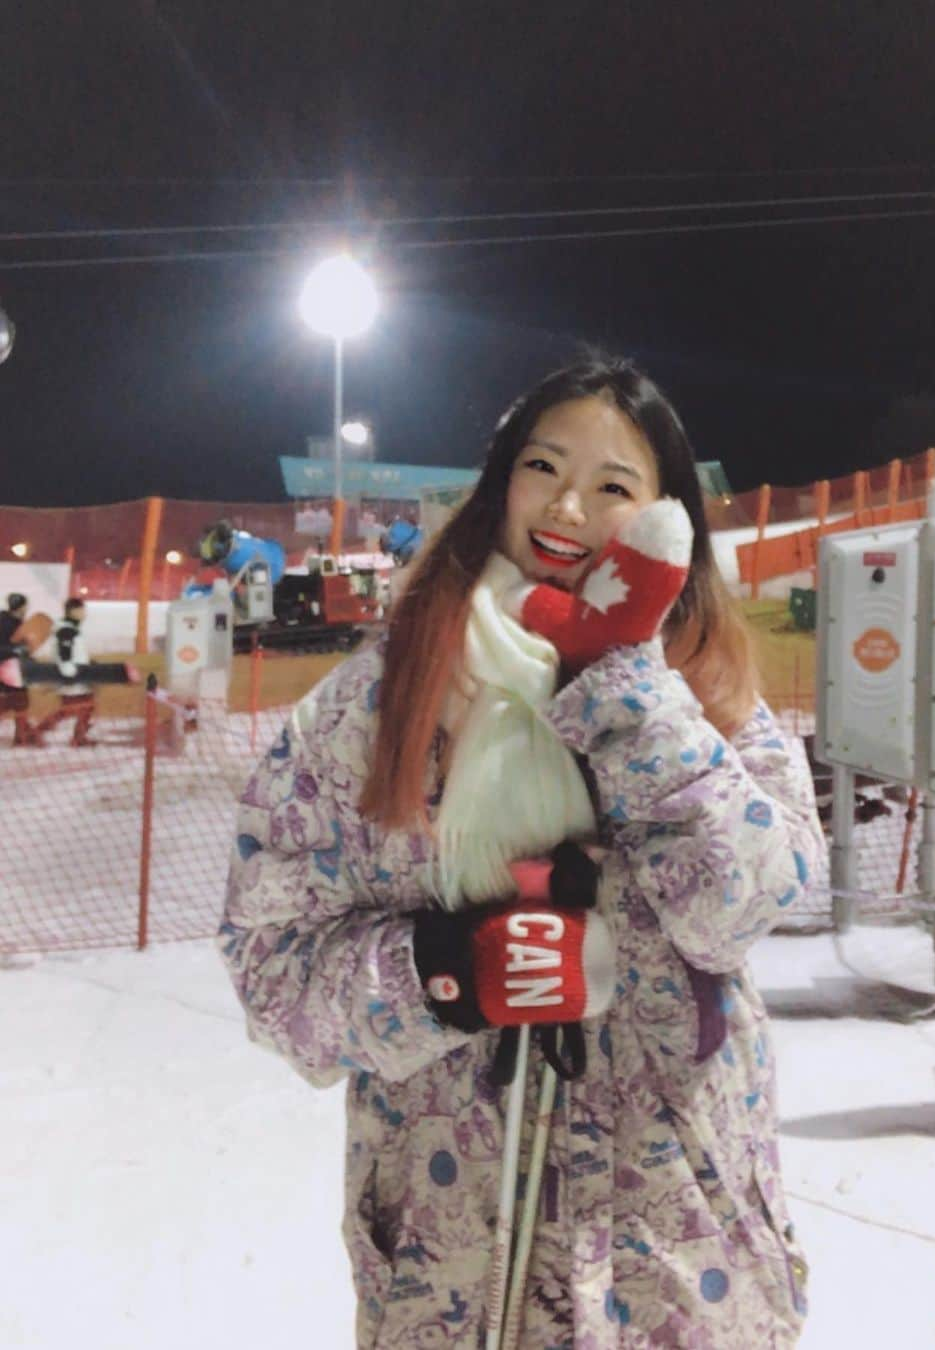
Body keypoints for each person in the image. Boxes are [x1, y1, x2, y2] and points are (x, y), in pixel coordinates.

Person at [220, 356, 826, 1347]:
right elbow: (270, 964)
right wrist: (445, 974)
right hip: (454, 1267)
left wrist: (624, 683)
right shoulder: (375, 706)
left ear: (664, 522)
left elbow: (749, 905)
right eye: (545, 466)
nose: (571, 503)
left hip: (675, 1267)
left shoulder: (707, 694)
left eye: (615, 485)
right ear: (501, 483)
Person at [35, 598, 96, 747]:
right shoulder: (66, 630)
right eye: (82, 610)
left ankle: (79, 736)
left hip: (76, 673)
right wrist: (69, 672)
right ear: (73, 611)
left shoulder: (70, 628)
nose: (84, 614)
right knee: (69, 710)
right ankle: (36, 732)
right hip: (71, 675)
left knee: (86, 705)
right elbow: (64, 654)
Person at [0, 592, 38, 746]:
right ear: (21, 606)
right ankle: (22, 736)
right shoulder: (6, 623)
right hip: (9, 668)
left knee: (18, 701)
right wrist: (16, 650)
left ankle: (22, 734)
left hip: (13, 667)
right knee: (18, 701)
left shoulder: (14, 622)